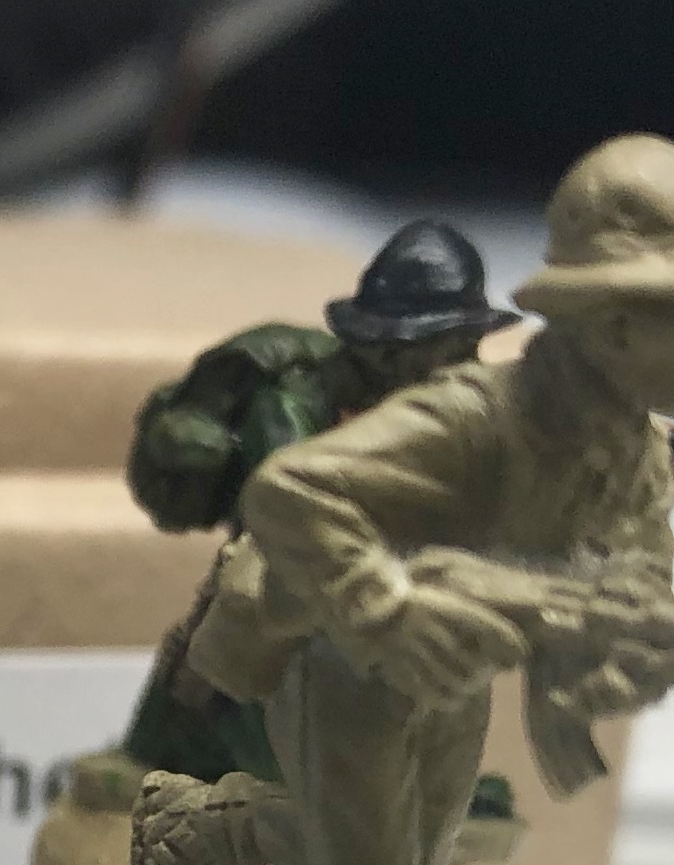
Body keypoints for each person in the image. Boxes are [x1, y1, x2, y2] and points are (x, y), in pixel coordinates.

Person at [115, 137, 674, 865]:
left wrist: (609, 649)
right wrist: (382, 602)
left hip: (453, 667)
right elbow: (289, 499)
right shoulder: (413, 414)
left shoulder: (607, 435)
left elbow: (630, 563)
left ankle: (195, 829)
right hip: (337, 645)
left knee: (416, 862)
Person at [119, 219, 519, 787]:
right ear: (392, 350)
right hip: (276, 606)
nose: (466, 362)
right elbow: (294, 517)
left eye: (468, 343)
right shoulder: (292, 399)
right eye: (451, 346)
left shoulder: (431, 408)